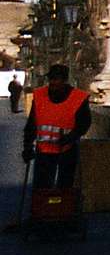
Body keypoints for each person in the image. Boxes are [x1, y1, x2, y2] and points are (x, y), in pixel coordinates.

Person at [23, 64, 91, 195]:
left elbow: (84, 124)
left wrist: (70, 138)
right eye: (51, 79)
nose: (53, 82)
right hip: (43, 151)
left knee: (64, 187)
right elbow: (31, 124)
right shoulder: (39, 96)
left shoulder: (78, 98)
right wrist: (27, 146)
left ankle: (62, 210)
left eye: (57, 79)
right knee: (42, 188)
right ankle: (42, 211)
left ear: (65, 80)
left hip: (67, 149)